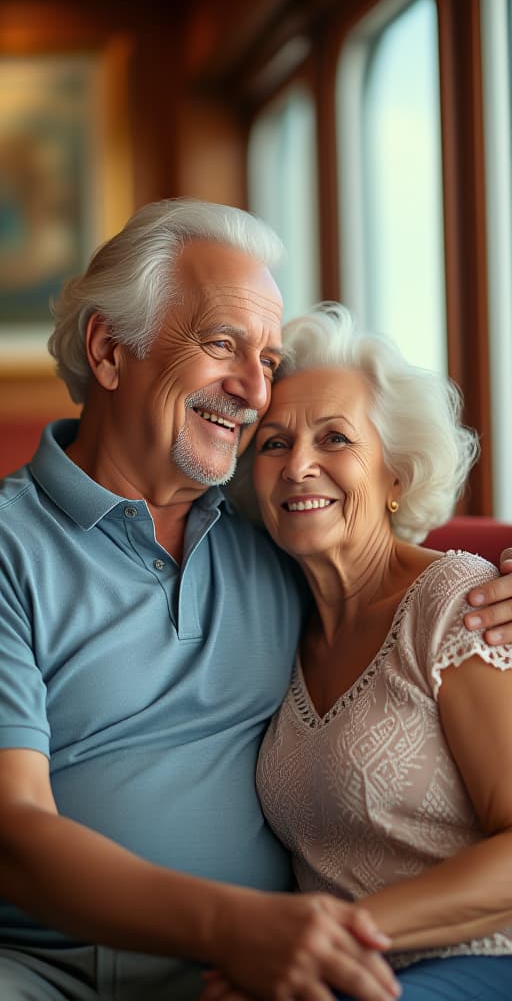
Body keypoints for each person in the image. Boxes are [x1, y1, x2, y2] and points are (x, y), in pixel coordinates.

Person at [0, 201, 509, 1001]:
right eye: (222, 344)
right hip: (52, 969)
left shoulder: (269, 539)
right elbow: (15, 834)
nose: (252, 391)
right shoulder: (11, 548)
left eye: (267, 359)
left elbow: (402, 555)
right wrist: (240, 929)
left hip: (259, 970)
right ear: (107, 349)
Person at [212, 302, 512, 1001]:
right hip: (336, 973)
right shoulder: (274, 619)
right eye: (275, 444)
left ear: (395, 477)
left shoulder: (458, 604)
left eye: (336, 439)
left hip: (483, 959)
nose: (299, 467)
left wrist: (329, 934)